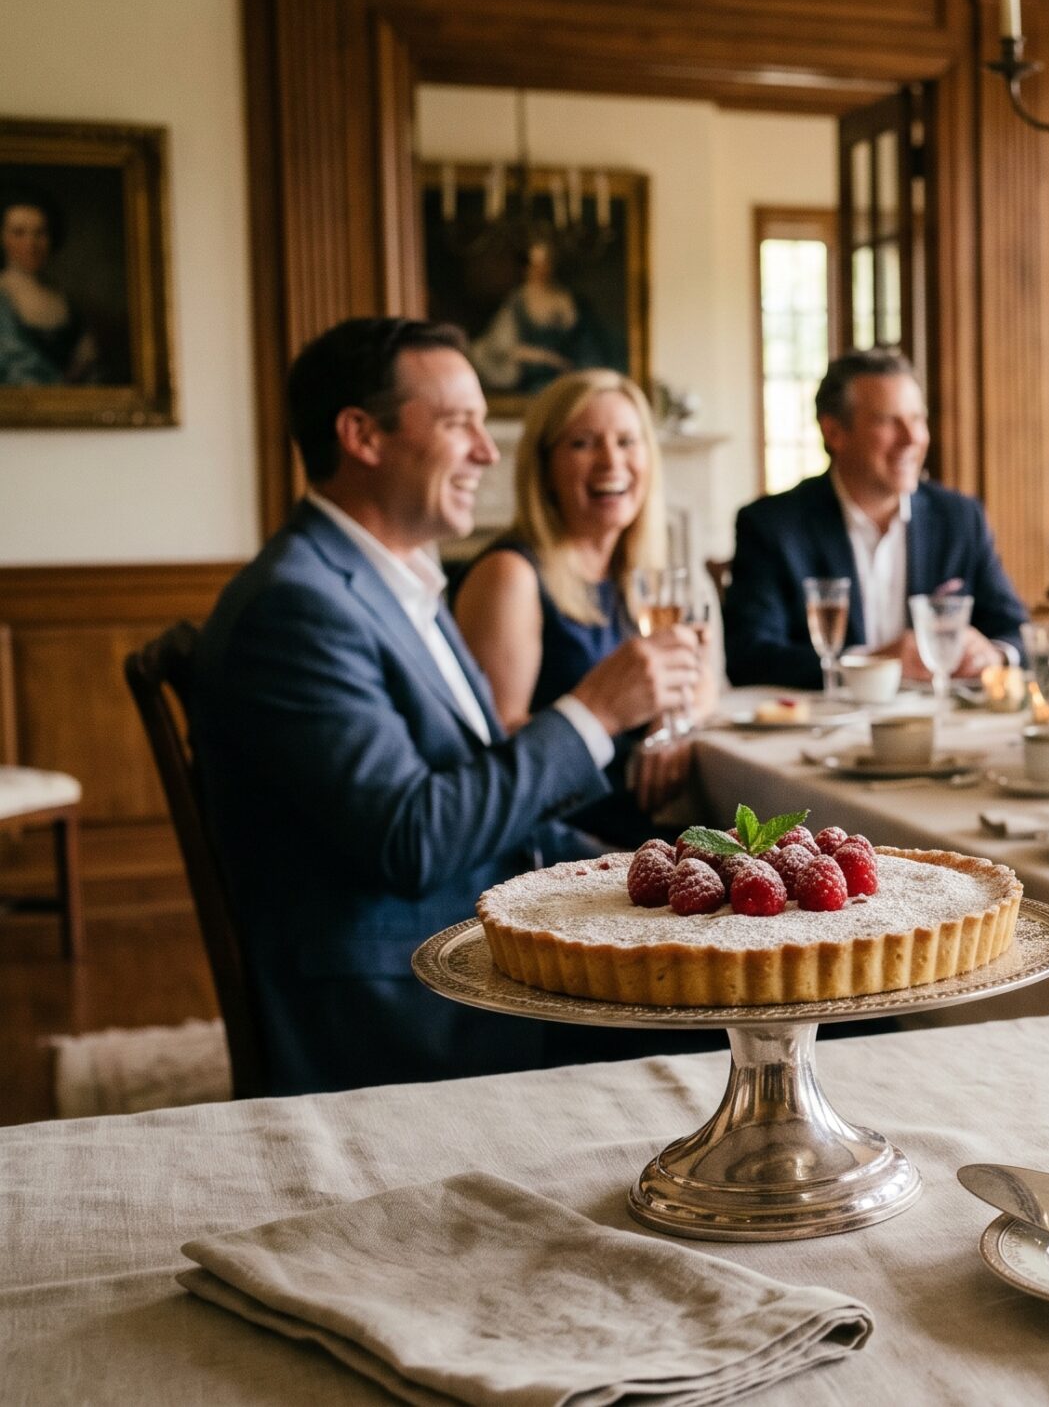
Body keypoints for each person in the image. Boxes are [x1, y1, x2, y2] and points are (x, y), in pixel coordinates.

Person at [192, 317, 703, 1095]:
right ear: (362, 435)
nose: (488, 450)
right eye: (460, 421)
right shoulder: (297, 607)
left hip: (472, 938)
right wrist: (592, 712)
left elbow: (475, 785)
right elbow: (413, 836)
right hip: (404, 998)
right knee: (809, 1013)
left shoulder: (397, 583)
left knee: (779, 958)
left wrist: (649, 867)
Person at [452, 368, 711, 846]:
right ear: (544, 466)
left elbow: (704, 665)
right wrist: (606, 709)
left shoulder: (636, 572)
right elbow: (498, 752)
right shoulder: (510, 576)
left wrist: (675, 724)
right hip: (567, 843)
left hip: (643, 829)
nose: (610, 461)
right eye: (582, 444)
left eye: (627, 441)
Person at [725, 348, 1026, 688]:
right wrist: (873, 661)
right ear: (834, 433)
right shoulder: (773, 526)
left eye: (917, 419)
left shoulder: (959, 518)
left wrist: (994, 654)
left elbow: (1016, 632)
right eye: (887, 421)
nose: (912, 438)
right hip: (822, 731)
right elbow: (748, 657)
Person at [468, 239, 616, 397]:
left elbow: (588, 346)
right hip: (535, 382)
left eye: (545, 263)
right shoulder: (518, 301)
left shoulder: (569, 300)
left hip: (573, 379)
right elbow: (501, 346)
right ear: (527, 268)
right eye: (535, 264)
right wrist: (547, 358)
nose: (541, 270)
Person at [0, 191, 99, 386]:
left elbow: (90, 365)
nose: (31, 244)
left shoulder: (65, 300)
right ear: (2, 237)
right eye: (19, 232)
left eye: (40, 233)